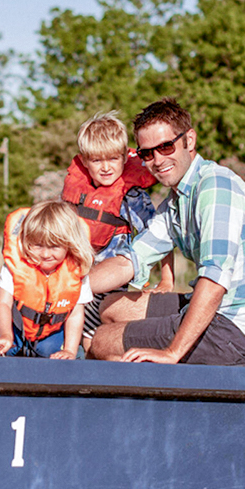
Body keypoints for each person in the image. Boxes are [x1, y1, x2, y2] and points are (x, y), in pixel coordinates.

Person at [85, 99, 245, 366]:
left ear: (189, 140)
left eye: (166, 146)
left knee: (102, 340)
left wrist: (172, 352)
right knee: (109, 307)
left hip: (237, 331)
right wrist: (63, 286)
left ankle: (147, 399)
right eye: (147, 154)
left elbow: (215, 279)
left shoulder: (215, 187)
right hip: (214, 312)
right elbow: (129, 260)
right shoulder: (176, 201)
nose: (158, 160)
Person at [60, 110, 174, 339]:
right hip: (75, 282)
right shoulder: (77, 193)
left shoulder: (131, 196)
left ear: (124, 157)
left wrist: (167, 280)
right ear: (83, 161)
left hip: (109, 289)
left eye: (113, 159)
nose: (106, 167)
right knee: (68, 343)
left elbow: (161, 236)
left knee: (93, 342)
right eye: (97, 160)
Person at [0, 200, 94, 360]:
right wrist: (6, 335)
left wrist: (70, 351)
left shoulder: (77, 272)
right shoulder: (14, 267)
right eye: (37, 245)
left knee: (51, 354)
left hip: (50, 332)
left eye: (54, 247)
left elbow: (75, 315)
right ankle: (4, 343)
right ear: (27, 241)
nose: (45, 254)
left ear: (69, 245)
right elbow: (3, 304)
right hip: (13, 326)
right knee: (5, 349)